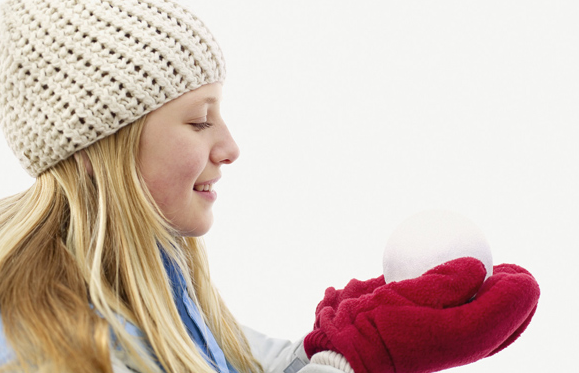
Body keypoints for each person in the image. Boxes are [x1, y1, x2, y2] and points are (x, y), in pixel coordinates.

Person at [0, 1, 539, 373]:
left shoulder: (156, 282)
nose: (230, 146)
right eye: (198, 121)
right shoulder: (44, 341)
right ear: (98, 149)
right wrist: (358, 358)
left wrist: (346, 341)